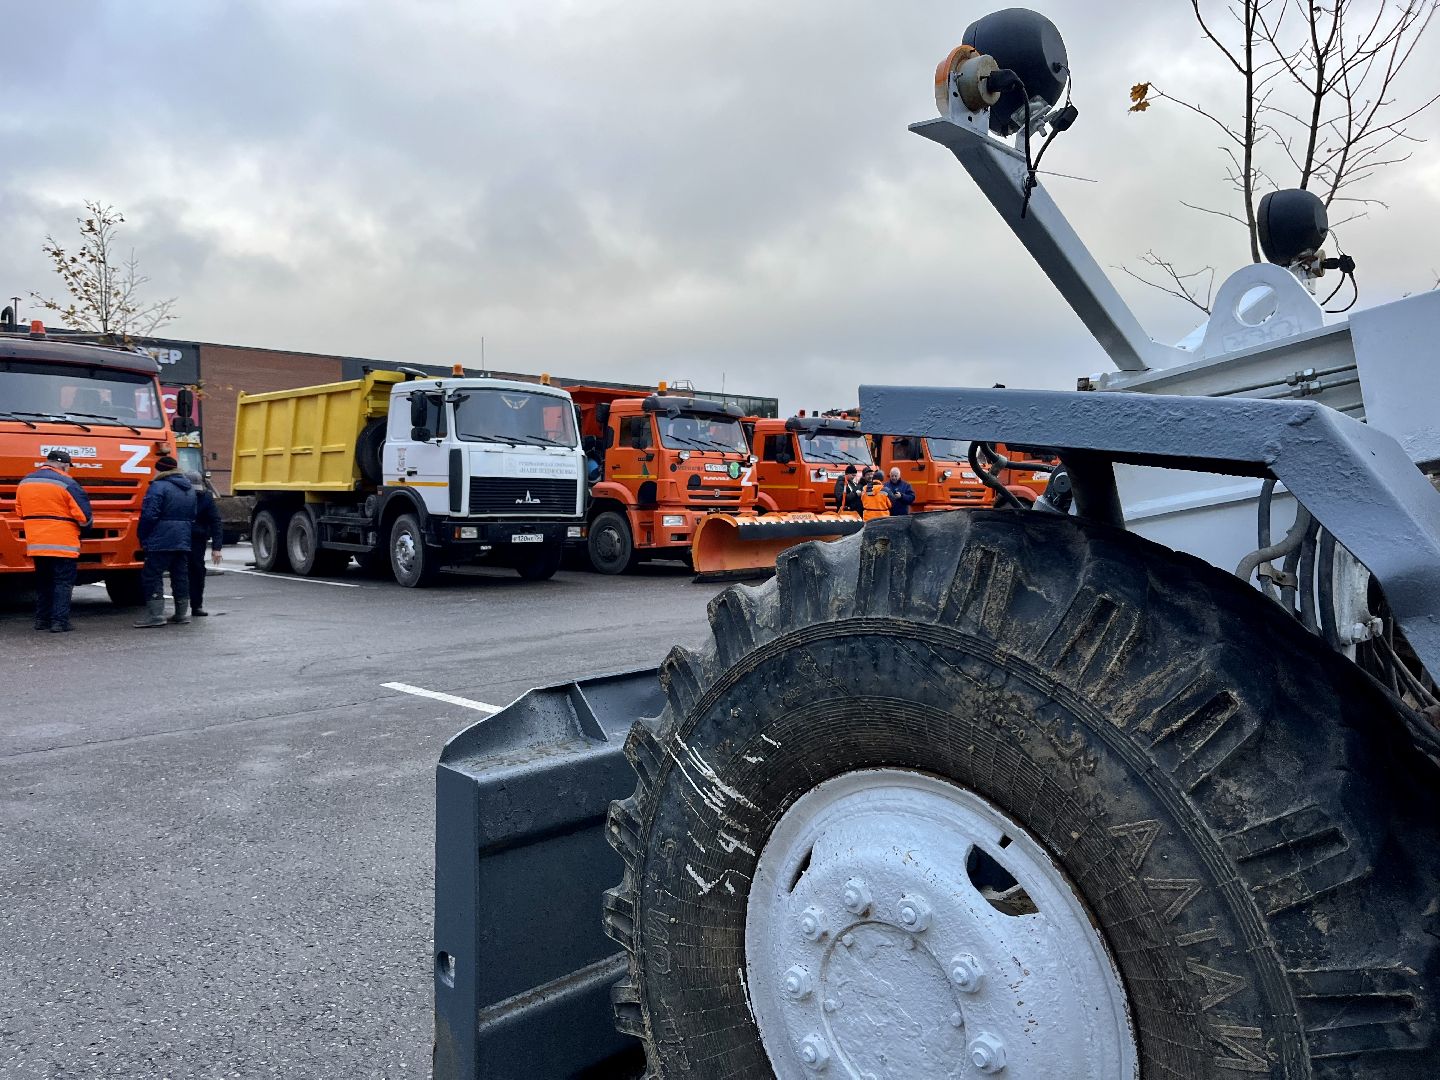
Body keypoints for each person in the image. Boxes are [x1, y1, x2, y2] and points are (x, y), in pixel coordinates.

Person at [15, 449, 93, 632]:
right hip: (63, 544)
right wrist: (86, 529)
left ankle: (41, 620)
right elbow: (83, 516)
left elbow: (20, 511)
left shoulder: (25, 482)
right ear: (64, 465)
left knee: (44, 583)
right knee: (62, 583)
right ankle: (59, 622)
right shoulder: (67, 483)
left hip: (36, 543)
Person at [133, 455, 197, 628]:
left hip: (160, 539)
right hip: (182, 538)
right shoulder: (189, 488)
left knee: (152, 575)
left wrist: (142, 535)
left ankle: (156, 615)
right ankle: (181, 614)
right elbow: (193, 514)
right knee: (180, 576)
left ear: (159, 469)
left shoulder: (158, 486)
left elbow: (149, 515)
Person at [185, 472, 224, 617]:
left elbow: (215, 521)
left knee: (197, 571)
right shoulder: (179, 495)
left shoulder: (206, 497)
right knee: (181, 572)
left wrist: (216, 548)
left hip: (197, 539)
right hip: (181, 537)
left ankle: (196, 605)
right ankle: (182, 607)